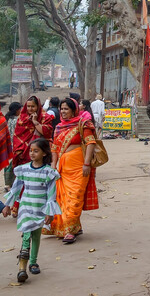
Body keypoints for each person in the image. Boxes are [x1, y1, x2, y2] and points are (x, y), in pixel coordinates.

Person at [5, 138, 61, 284]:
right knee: (26, 234)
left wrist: (50, 212)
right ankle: (23, 264)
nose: (32, 153)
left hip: (40, 209)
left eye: (36, 151)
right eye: (31, 150)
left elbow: (51, 194)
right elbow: (15, 189)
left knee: (36, 236)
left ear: (44, 153)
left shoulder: (49, 173)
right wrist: (7, 205)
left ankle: (33, 262)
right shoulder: (23, 169)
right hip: (25, 208)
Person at [44, 97, 98, 244]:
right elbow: (54, 148)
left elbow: (91, 143)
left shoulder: (83, 123)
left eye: (66, 109)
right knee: (62, 198)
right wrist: (53, 166)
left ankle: (69, 230)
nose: (63, 111)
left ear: (74, 110)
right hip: (62, 167)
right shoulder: (59, 127)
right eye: (62, 109)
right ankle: (74, 227)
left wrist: (87, 164)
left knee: (75, 197)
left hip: (79, 166)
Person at [11, 97, 54, 179]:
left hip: (41, 152)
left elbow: (46, 133)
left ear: (38, 106)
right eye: (28, 106)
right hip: (23, 153)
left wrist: (35, 122)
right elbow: (17, 136)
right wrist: (19, 151)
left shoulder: (45, 117)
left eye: (33, 106)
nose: (30, 109)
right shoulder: (22, 118)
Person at [3, 102, 22, 191]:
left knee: (7, 165)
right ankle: (9, 184)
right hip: (14, 145)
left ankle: (7, 183)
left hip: (7, 145)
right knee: (12, 165)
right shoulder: (17, 121)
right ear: (17, 110)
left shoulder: (6, 119)